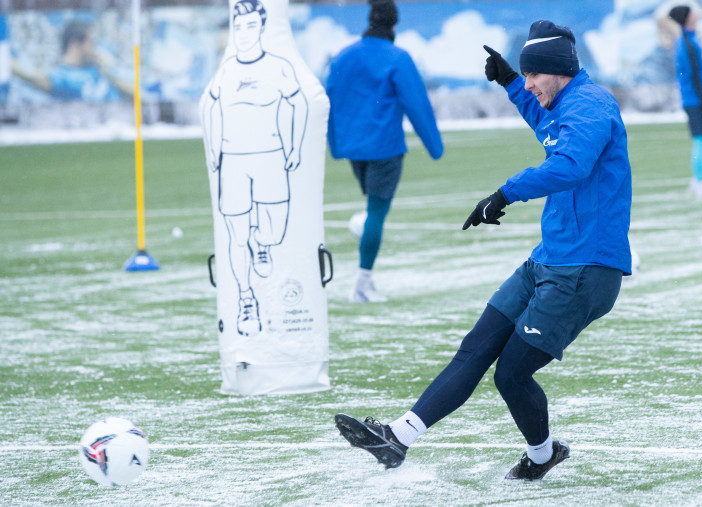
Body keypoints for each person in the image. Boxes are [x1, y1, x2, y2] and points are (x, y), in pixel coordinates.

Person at [334, 20, 631, 481]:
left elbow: (570, 164)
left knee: (511, 374)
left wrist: (505, 193)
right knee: (475, 348)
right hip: (549, 258)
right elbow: (548, 127)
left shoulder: (591, 106)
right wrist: (512, 83)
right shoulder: (566, 101)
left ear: (558, 70)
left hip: (585, 269)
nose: (530, 83)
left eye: (534, 74)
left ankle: (541, 456)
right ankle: (396, 439)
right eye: (526, 76)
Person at [201, 0, 308, 336]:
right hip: (233, 162)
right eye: (238, 26)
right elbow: (210, 108)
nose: (244, 33)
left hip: (271, 157)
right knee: (236, 237)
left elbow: (299, 103)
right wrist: (215, 150)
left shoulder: (278, 67)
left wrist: (292, 146)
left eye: (250, 26)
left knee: (274, 231)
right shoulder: (225, 70)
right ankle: (247, 301)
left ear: (261, 27)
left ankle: (262, 243)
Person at [326, 0, 443, 303]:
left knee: (372, 210)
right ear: (393, 25)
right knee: (377, 213)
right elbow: (417, 104)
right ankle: (362, 285)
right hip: (385, 149)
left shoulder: (344, 56)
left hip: (354, 150)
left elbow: (329, 99)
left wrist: (336, 144)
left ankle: (364, 234)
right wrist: (434, 147)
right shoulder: (397, 57)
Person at [669, 5, 702, 201]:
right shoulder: (685, 43)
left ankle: (696, 180)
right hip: (695, 100)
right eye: (692, 12)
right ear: (687, 17)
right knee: (701, 140)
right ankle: (700, 185)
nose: (696, 14)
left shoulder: (693, 37)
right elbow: (693, 76)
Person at [11, 19, 133, 101]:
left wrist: (111, 75)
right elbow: (31, 76)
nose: (95, 49)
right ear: (74, 44)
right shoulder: (61, 76)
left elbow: (141, 96)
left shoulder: (100, 70)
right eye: (91, 43)